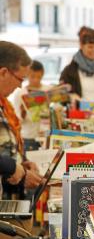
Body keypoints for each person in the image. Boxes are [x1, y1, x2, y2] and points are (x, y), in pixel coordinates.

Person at [0, 41, 44, 199]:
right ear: (4, 72)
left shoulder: (4, 104)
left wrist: (21, 162)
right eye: (20, 78)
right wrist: (13, 167)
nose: (20, 86)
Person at [13, 61, 50, 151]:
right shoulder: (20, 92)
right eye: (32, 76)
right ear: (27, 75)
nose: (35, 80)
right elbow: (16, 120)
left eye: (39, 77)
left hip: (45, 135)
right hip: (27, 136)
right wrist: (23, 111)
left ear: (42, 75)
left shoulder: (47, 90)